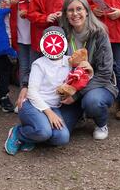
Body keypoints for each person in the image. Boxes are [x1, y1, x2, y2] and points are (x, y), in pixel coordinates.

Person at [58, 0, 117, 140]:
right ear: (65, 14)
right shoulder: (62, 34)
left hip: (99, 84)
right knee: (60, 128)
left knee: (92, 102)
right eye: (70, 10)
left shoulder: (99, 34)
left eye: (79, 9)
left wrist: (76, 95)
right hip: (70, 86)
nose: (75, 13)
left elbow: (104, 73)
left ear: (87, 11)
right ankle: (79, 114)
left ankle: (101, 123)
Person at [4, 26, 71, 155]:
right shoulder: (39, 64)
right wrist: (49, 113)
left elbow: (83, 74)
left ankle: (34, 136)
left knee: (62, 137)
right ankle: (18, 133)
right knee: (44, 131)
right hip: (32, 105)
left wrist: (88, 68)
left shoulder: (69, 61)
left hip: (54, 106)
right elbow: (32, 93)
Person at [28, 0, 77, 71]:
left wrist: (66, 16)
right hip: (43, 39)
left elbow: (80, 14)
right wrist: (45, 18)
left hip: (66, 39)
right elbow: (31, 14)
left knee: (63, 70)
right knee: (42, 70)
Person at [9, 0, 41, 110]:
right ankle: (22, 99)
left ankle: (34, 98)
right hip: (21, 32)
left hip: (36, 32)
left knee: (36, 66)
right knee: (23, 66)